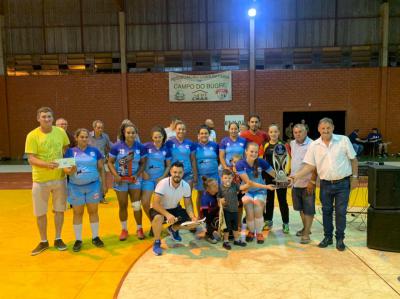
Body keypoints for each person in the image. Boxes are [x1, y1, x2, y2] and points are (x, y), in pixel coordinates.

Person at [291, 117, 358, 251]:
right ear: (318, 129)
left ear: (333, 128)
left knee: (340, 212)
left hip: (342, 184)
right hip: (325, 184)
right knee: (326, 212)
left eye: (328, 128)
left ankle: (340, 238)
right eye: (323, 128)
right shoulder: (314, 145)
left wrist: (355, 177)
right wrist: (295, 177)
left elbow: (354, 160)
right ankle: (328, 237)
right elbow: (309, 165)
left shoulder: (343, 140)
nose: (326, 130)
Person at [25, 107, 70, 256]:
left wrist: (67, 164)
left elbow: (66, 149)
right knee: (40, 213)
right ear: (38, 118)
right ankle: (43, 241)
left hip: (59, 178)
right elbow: (31, 159)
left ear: (52, 118)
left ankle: (58, 238)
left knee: (59, 210)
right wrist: (46, 164)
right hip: (40, 180)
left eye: (49, 116)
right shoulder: (32, 136)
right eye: (44, 117)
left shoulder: (61, 132)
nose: (47, 119)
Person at [63, 129, 107, 252]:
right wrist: (71, 170)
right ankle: (78, 239)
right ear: (76, 138)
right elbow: (65, 170)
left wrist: (104, 184)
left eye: (86, 137)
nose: (84, 139)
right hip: (75, 187)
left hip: (93, 186)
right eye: (81, 137)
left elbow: (101, 168)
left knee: (93, 211)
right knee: (78, 213)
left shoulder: (95, 151)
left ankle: (95, 237)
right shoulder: (70, 152)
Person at [108, 122, 147, 241]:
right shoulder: (116, 146)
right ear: (124, 133)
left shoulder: (140, 147)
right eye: (128, 132)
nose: (131, 134)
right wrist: (116, 175)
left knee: (136, 205)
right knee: (123, 205)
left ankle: (139, 229)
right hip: (121, 181)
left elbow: (143, 163)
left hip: (134, 180)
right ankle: (124, 229)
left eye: (133, 132)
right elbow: (109, 162)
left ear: (136, 134)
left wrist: (137, 174)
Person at [150, 162, 198, 256]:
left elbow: (188, 205)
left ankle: (173, 229)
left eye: (180, 172)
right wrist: (167, 215)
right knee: (158, 218)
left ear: (183, 173)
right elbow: (155, 204)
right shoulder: (163, 183)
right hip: (159, 209)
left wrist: (193, 217)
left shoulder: (186, 185)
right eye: (175, 172)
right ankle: (156, 243)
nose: (177, 174)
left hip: (175, 208)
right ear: (171, 172)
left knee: (193, 224)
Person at [236, 142, 276, 244]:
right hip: (247, 191)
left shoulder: (261, 162)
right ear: (246, 151)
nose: (254, 154)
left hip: (260, 191)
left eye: (256, 152)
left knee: (258, 210)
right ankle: (251, 231)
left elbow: (274, 174)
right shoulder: (240, 164)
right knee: (249, 213)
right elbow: (249, 183)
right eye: (251, 151)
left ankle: (259, 233)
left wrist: (285, 179)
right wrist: (266, 186)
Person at [290, 124, 317, 244]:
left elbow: (316, 164)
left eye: (300, 132)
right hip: (296, 183)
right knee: (300, 208)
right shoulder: (292, 143)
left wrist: (312, 181)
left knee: (309, 210)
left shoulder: (313, 144)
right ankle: (306, 228)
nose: (298, 134)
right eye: (295, 132)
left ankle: (306, 234)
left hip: (307, 183)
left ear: (306, 132)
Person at [140, 127, 171, 226]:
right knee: (145, 202)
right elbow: (141, 161)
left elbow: (168, 165)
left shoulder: (166, 149)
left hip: (160, 180)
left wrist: (162, 177)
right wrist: (143, 172)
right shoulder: (146, 147)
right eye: (155, 137)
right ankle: (153, 222)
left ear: (163, 137)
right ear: (152, 137)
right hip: (148, 179)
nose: (157, 139)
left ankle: (159, 222)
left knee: (159, 204)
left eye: (159, 137)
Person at [263, 124, 290, 233]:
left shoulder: (284, 145)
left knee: (282, 200)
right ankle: (268, 221)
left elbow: (288, 160)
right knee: (269, 200)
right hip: (268, 177)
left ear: (279, 133)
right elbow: (263, 160)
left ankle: (286, 223)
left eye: (275, 132)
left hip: (281, 177)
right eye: (271, 132)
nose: (273, 134)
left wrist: (286, 175)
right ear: (268, 133)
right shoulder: (265, 145)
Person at [218, 169, 247, 250]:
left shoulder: (234, 185)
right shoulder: (220, 187)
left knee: (235, 226)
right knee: (227, 227)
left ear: (232, 178)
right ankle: (226, 241)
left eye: (230, 178)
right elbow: (218, 197)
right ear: (222, 178)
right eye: (225, 178)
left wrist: (249, 184)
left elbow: (241, 187)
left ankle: (236, 240)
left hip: (235, 210)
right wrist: (220, 201)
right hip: (226, 210)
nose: (228, 180)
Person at [165, 121, 198, 189]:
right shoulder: (169, 143)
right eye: (179, 129)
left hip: (187, 173)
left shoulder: (190, 143)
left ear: (185, 130)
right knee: (175, 198)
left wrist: (195, 174)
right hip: (174, 174)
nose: (181, 131)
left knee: (188, 196)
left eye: (183, 129)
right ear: (175, 130)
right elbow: (166, 160)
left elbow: (193, 159)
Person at [194, 125, 219, 214]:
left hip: (214, 174)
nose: (204, 135)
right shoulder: (195, 146)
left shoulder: (215, 145)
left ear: (209, 134)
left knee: (215, 194)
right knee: (200, 195)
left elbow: (219, 159)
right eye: (201, 133)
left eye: (206, 133)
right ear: (198, 135)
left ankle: (216, 216)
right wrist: (196, 174)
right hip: (201, 176)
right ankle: (200, 216)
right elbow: (193, 160)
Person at [89, 120, 113, 204]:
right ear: (94, 128)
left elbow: (110, 146)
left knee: (102, 180)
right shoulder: (88, 136)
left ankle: (102, 197)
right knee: (91, 179)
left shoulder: (105, 136)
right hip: (90, 162)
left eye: (102, 128)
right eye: (98, 128)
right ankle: (91, 197)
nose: (100, 129)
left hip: (101, 161)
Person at [199, 177, 219, 244]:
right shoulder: (205, 198)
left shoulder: (218, 193)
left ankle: (228, 232)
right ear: (208, 189)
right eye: (214, 186)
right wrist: (218, 206)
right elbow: (206, 216)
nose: (217, 187)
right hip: (208, 216)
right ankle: (208, 234)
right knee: (215, 222)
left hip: (215, 213)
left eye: (217, 185)